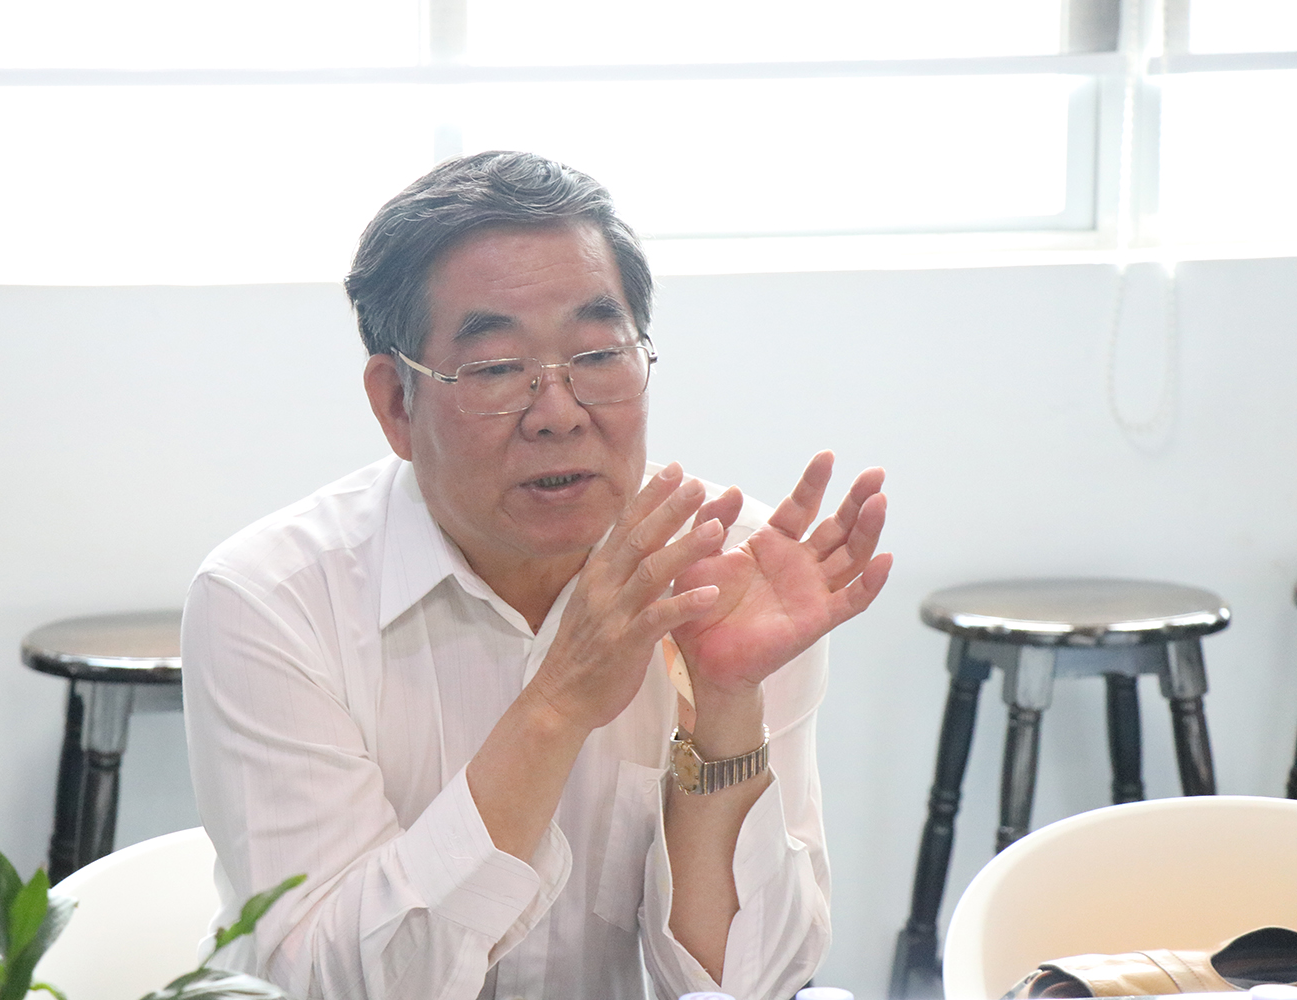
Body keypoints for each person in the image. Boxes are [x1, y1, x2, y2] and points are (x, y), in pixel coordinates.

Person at [181, 150, 891, 1000]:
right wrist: (555, 708)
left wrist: (727, 704)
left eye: (597, 355)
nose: (557, 414)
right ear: (397, 403)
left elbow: (748, 985)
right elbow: (325, 985)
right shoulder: (270, 602)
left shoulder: (733, 573)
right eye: (494, 369)